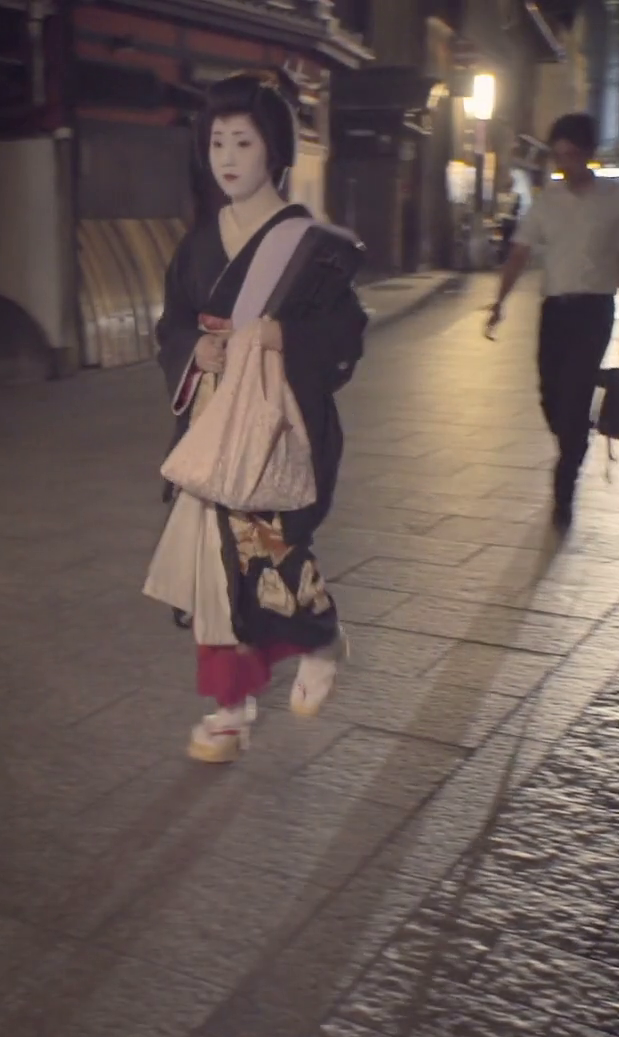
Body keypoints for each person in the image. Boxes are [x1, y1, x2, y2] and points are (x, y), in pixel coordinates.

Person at [146, 73, 368, 764]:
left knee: (269, 551)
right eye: (217, 142)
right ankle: (230, 709)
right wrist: (195, 348)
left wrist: (286, 338)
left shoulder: (307, 244)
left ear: (274, 148)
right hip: (212, 419)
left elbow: (348, 332)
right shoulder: (198, 243)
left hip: (276, 419)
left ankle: (321, 638)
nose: (228, 157)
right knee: (215, 570)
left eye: (243, 141)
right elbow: (171, 323)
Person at [486, 112, 619, 529]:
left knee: (573, 394)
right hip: (554, 310)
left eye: (572, 155)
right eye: (558, 157)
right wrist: (499, 302)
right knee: (549, 394)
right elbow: (520, 252)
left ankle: (565, 480)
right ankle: (575, 431)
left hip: (594, 311)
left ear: (589, 153)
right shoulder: (547, 200)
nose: (564, 164)